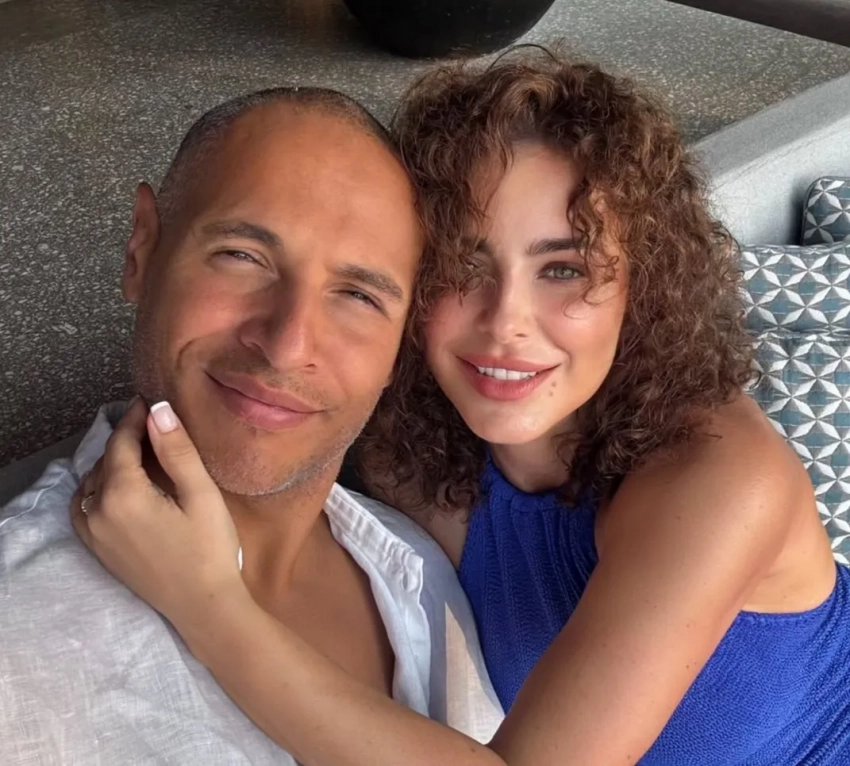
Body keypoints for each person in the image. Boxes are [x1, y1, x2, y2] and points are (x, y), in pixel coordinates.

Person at [74, 52, 850, 765]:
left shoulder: (721, 478)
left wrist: (206, 602)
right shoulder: (412, 448)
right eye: (462, 267)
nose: (506, 322)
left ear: (641, 286)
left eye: (563, 269)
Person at [0, 87, 502, 766]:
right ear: (141, 250)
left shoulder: (420, 571)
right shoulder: (15, 637)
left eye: (358, 295)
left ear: (402, 346)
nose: (288, 345)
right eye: (242, 256)